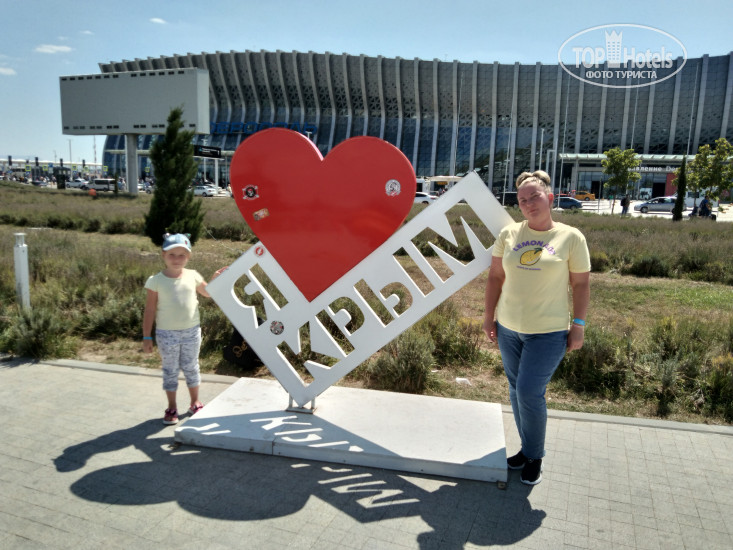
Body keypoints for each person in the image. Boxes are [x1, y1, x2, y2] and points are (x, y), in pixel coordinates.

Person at [483, 170, 590, 485]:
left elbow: (581, 284)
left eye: (535, 197)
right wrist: (488, 316)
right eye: (522, 200)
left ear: (550, 198)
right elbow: (495, 277)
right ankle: (526, 450)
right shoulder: (509, 234)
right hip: (509, 329)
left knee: (530, 391)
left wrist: (579, 324)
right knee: (516, 391)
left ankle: (535, 456)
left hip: (548, 332)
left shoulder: (571, 237)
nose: (529, 203)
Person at [143, 233, 226, 425]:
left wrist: (215, 278)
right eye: (172, 254)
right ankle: (172, 407)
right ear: (163, 255)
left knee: (191, 366)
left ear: (188, 257)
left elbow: (207, 293)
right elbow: (149, 309)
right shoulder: (155, 280)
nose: (177, 259)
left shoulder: (193, 275)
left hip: (191, 332)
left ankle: (195, 403)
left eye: (182, 255)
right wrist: (147, 337)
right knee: (170, 370)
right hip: (166, 334)